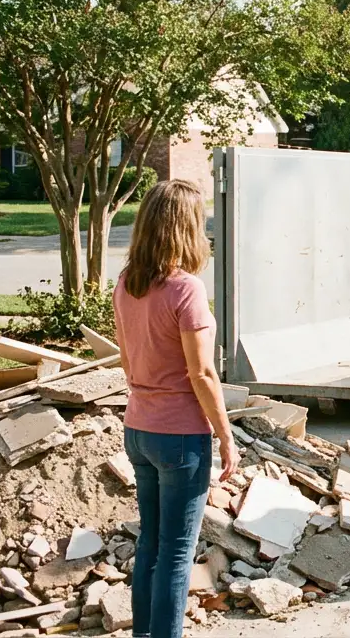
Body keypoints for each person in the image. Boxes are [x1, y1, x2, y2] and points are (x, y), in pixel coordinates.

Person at [113, 180, 239, 638]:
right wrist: (225, 436)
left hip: (138, 427)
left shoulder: (128, 282)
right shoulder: (186, 289)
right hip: (180, 436)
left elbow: (127, 359)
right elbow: (202, 373)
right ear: (187, 228)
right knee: (177, 553)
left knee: (150, 543)